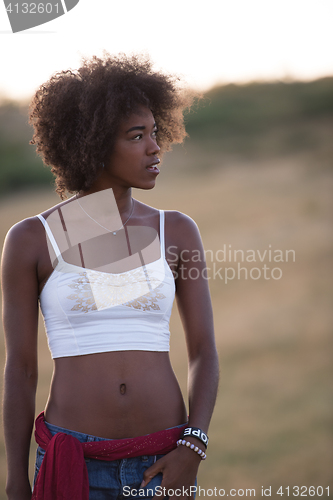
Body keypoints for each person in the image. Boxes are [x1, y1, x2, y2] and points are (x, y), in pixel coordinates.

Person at [2, 53, 219, 500]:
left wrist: (193, 447)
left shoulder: (176, 230)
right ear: (93, 143)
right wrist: (16, 479)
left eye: (154, 133)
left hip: (164, 463)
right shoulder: (31, 240)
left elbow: (203, 352)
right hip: (73, 463)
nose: (155, 148)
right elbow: (20, 371)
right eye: (136, 137)